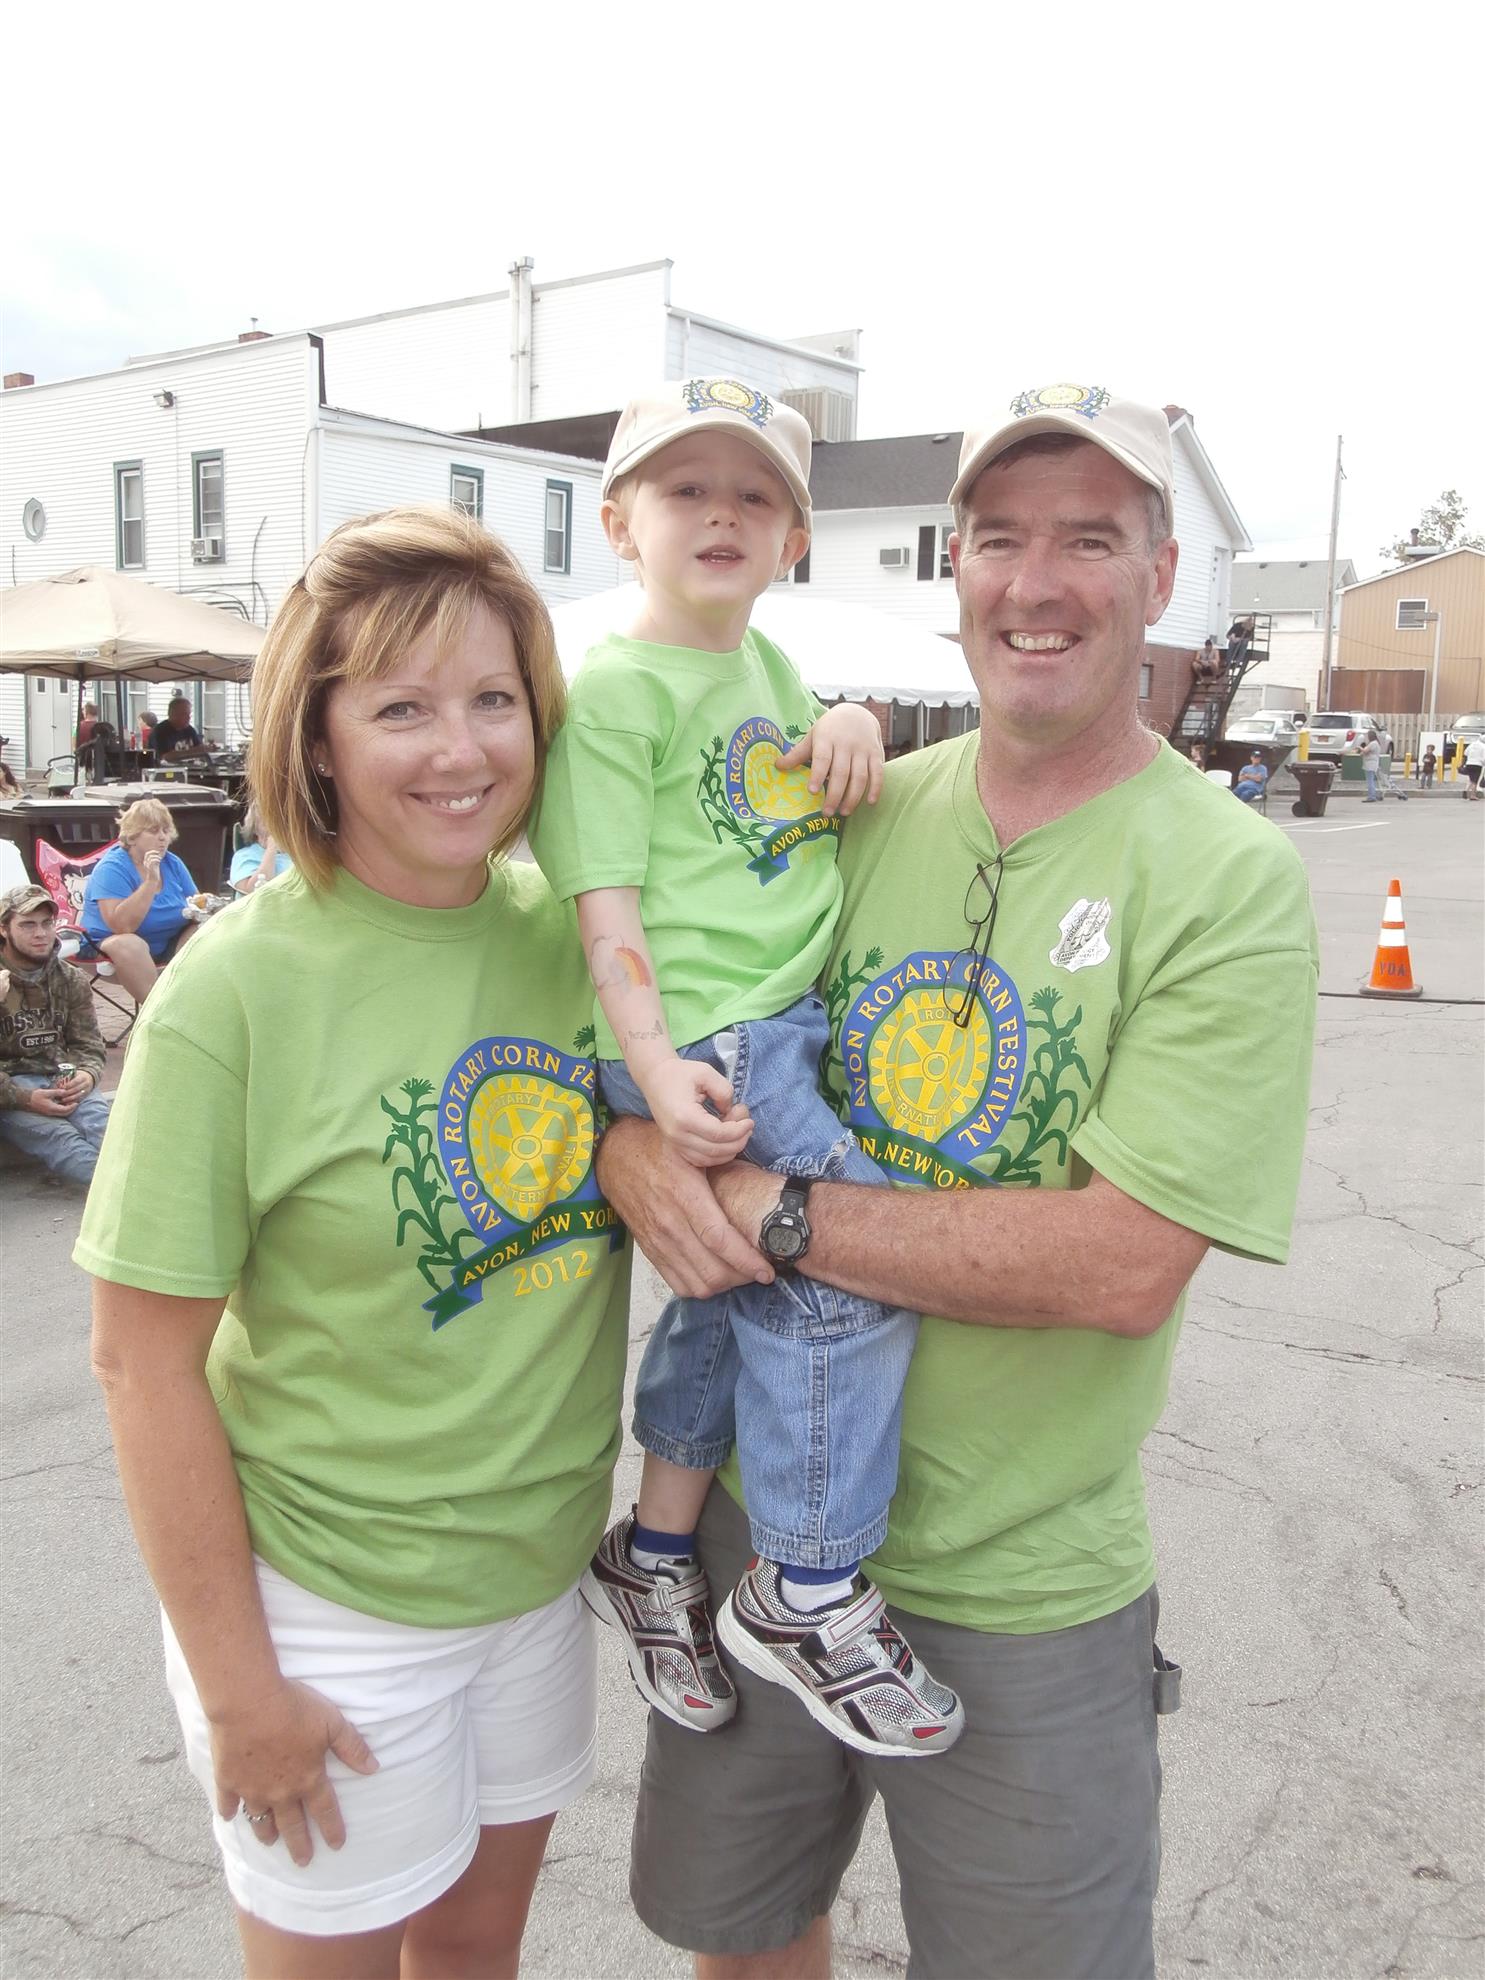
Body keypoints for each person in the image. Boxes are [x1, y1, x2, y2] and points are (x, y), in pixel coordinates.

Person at [598, 386, 1319, 1980]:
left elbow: (1118, 1265)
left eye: (1089, 541)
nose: (1035, 583)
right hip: (753, 1535)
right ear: (958, 569)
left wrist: (775, 1213)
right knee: (744, 1938)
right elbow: (664, 977)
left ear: (1160, 573)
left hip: (1023, 1586)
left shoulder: (1227, 878)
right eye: (998, 539)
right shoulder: (851, 811)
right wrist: (625, 1141)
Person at [77, 506, 630, 1976]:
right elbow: (140, 1366)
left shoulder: (582, 939)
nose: (462, 749)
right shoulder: (234, 992)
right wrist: (238, 1689)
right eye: (401, 708)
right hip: (327, 1605)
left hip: (535, 1583)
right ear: (316, 739)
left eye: (495, 698)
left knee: (475, 1957)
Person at [531, 378, 961, 1755]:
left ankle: (654, 1552)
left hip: (766, 1026)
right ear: (620, 524)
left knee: (730, 1288)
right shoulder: (613, 695)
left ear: (794, 538)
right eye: (685, 490)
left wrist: (850, 721)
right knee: (854, 1269)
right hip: (706, 1038)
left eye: (755, 496)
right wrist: (654, 1069)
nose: (721, 514)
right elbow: (604, 905)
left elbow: (782, 784)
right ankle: (809, 1586)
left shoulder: (764, 668)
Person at [0, 883, 109, 1184]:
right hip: (10, 1089)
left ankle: (144, 1192)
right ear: (4, 929)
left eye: (47, 923)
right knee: (62, 1140)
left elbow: (88, 1044)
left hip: (62, 1077)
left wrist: (87, 1074)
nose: (41, 933)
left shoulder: (71, 978)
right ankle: (121, 1197)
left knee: (105, 1129)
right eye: (28, 925)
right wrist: (23, 1098)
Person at [78, 797, 198, 1005]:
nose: (162, 838)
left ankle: (190, 1001)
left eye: (166, 831)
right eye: (153, 831)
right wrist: (151, 882)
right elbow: (121, 926)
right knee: (129, 943)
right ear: (132, 837)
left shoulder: (172, 863)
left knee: (205, 928)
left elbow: (196, 903)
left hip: (168, 944)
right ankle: (159, 1011)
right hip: (106, 947)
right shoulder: (111, 868)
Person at [229, 803, 293, 894]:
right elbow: (251, 890)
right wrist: (271, 848)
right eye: (268, 822)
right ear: (254, 828)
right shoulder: (245, 856)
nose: (277, 827)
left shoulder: (297, 856)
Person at [153, 695, 204, 760]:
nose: (188, 717)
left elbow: (199, 748)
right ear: (172, 714)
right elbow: (165, 756)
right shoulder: (160, 731)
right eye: (184, 714)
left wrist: (207, 749)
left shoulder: (189, 729)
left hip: (190, 765)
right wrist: (192, 751)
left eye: (189, 714)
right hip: (167, 766)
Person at [1462, 733, 1484, 800]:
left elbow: (1465, 753)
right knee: (1475, 781)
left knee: (1471, 779)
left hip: (1469, 764)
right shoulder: (1483, 746)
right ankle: (1472, 795)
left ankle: (1466, 792)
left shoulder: (1472, 744)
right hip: (1478, 765)